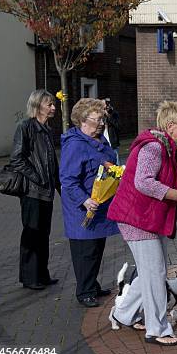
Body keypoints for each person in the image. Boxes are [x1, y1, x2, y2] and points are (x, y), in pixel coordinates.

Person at [108, 101, 177, 346]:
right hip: (138, 219)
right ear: (171, 126)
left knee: (150, 273)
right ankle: (157, 329)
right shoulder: (153, 147)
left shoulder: (165, 146)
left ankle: (124, 314)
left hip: (146, 218)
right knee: (155, 274)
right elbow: (144, 182)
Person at [60, 98, 119, 308]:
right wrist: (84, 200)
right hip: (83, 209)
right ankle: (84, 292)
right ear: (83, 121)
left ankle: (92, 285)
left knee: (96, 249)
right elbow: (67, 179)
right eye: (97, 119)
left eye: (102, 118)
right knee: (85, 252)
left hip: (99, 206)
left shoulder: (99, 141)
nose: (101, 123)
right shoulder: (75, 145)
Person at [10, 89, 61, 290]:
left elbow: (52, 163)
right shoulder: (25, 127)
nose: (53, 107)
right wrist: (37, 178)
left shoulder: (47, 130)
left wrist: (59, 187)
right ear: (38, 105)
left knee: (44, 234)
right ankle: (30, 278)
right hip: (32, 192)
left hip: (46, 193)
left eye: (53, 104)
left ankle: (42, 274)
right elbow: (16, 159)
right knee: (32, 235)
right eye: (49, 104)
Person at [103, 98, 120, 163]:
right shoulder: (100, 115)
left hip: (112, 140)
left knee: (116, 159)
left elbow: (118, 126)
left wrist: (109, 116)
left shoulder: (114, 114)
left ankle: (118, 172)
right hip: (103, 140)